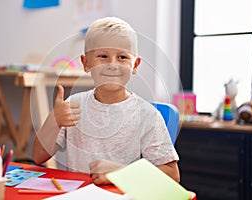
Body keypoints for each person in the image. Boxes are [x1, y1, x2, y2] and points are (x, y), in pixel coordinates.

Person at [32, 16, 180, 185]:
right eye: (103, 56)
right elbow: (38, 156)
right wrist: (54, 121)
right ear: (86, 63)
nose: (112, 65)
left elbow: (172, 176)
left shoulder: (148, 116)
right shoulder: (73, 104)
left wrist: (121, 172)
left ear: (135, 65)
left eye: (122, 57)